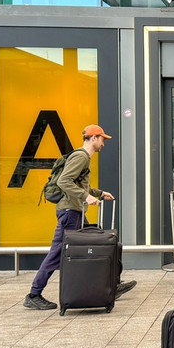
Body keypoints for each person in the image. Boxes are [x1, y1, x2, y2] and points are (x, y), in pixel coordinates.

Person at [23, 124, 137, 310]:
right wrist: (86, 197)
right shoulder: (81, 156)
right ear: (93, 138)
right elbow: (64, 181)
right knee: (58, 253)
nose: (103, 144)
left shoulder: (83, 157)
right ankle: (34, 294)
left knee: (93, 246)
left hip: (74, 212)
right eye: (102, 139)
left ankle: (109, 285)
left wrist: (99, 193)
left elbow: (79, 185)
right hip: (70, 213)